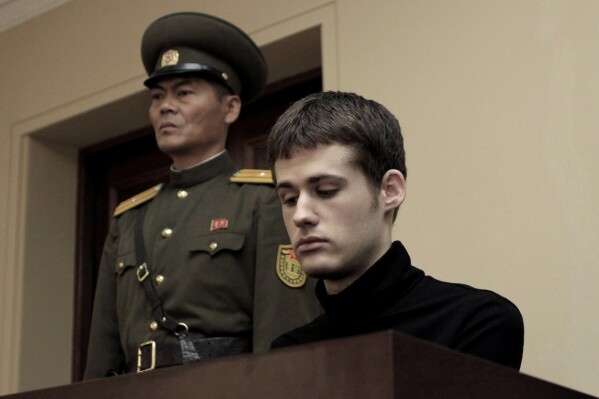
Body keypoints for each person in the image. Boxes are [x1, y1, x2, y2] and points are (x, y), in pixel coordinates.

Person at [84, 12, 319, 378]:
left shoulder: (264, 200)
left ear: (230, 108)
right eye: (157, 95)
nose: (165, 106)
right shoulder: (129, 217)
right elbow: (103, 346)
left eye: (184, 92)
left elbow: (283, 324)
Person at [267, 91, 524, 369]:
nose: (301, 215)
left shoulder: (476, 322)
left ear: (390, 190)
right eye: (290, 199)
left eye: (326, 191)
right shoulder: (287, 353)